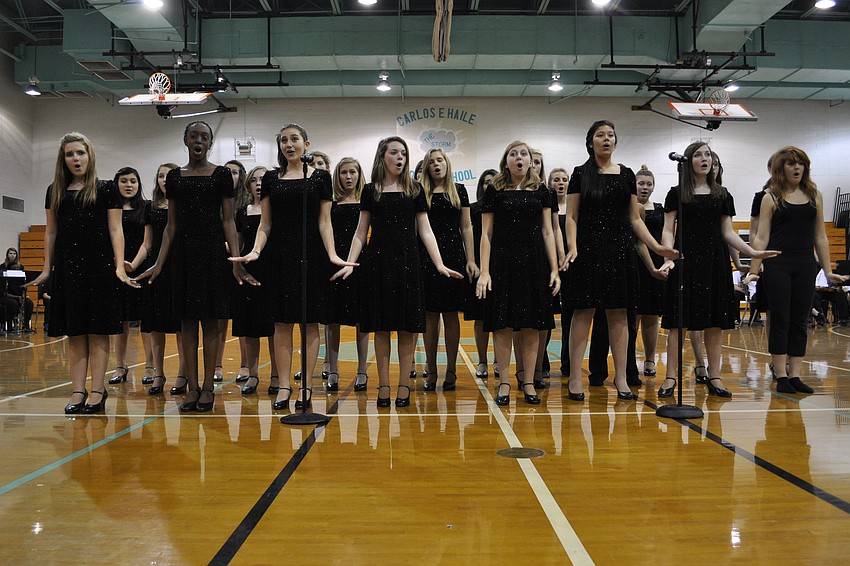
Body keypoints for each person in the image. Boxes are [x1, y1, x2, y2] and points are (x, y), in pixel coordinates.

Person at [333, 136, 463, 407]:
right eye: (394, 153)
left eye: (403, 153)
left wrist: (439, 264)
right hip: (377, 264)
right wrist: (348, 263)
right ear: (383, 157)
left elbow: (425, 230)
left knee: (407, 329)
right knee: (381, 329)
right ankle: (383, 385)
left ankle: (403, 386)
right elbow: (360, 232)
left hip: (408, 262)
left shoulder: (415, 189)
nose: (400, 157)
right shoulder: (371, 191)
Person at [230, 124, 351, 411]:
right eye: (283, 140)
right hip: (278, 257)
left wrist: (333, 254)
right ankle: (284, 385)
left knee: (309, 324)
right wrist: (256, 250)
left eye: (294, 139)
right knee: (281, 324)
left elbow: (324, 221)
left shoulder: (319, 177)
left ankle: (306, 386)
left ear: (306, 144)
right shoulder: (272, 178)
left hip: (311, 256)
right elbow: (266, 223)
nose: (289, 144)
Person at [138, 122, 255, 413]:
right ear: (185, 141)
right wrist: (159, 264)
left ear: (210, 142)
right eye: (194, 136)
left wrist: (237, 263)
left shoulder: (222, 175)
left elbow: (228, 221)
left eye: (204, 136)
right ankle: (191, 387)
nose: (199, 140)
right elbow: (171, 226)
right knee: (187, 323)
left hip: (213, 253)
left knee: (211, 322)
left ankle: (207, 387)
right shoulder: (175, 176)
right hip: (183, 255)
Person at [562, 121, 676, 402]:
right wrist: (573, 246)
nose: (606, 139)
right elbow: (572, 217)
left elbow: (635, 219)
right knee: (582, 314)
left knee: (619, 316)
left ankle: (622, 377)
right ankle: (575, 377)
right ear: (591, 142)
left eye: (610, 135)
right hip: (586, 252)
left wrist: (658, 247)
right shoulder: (580, 174)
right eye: (600, 135)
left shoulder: (626, 175)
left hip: (618, 252)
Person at [658, 142, 778, 399]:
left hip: (714, 262)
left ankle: (715, 375)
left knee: (714, 324)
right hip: (685, 261)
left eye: (708, 155)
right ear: (688, 161)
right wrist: (668, 254)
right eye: (699, 155)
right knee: (678, 324)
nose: (705, 159)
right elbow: (668, 229)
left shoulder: (723, 194)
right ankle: (670, 377)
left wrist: (753, 253)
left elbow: (727, 232)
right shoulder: (676, 192)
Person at [28, 132, 137, 414]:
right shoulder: (54, 191)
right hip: (68, 268)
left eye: (80, 153)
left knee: (98, 332)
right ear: (63, 159)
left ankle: (98, 391)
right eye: (69, 154)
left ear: (90, 155)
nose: (75, 159)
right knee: (75, 332)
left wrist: (119, 265)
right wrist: (46, 268)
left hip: (99, 268)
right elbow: (51, 231)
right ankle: (78, 389)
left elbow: (116, 229)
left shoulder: (106, 189)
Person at [747, 147, 848, 394]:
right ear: (782, 169)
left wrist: (827, 269)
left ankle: (795, 374)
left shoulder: (815, 196)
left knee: (800, 320)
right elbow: (761, 237)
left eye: (800, 164)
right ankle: (781, 374)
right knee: (780, 317)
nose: (796, 168)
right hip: (778, 263)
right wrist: (754, 269)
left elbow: (821, 237)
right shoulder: (771, 197)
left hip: (805, 264)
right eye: (791, 164)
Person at [476, 140, 560, 406]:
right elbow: (486, 234)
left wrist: (555, 268)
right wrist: (484, 271)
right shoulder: (494, 190)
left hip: (534, 264)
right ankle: (504, 382)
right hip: (502, 263)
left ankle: (528, 381)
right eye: (513, 154)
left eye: (523, 154)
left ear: (530, 161)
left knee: (532, 324)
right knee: (502, 324)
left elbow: (548, 232)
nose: (519, 158)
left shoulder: (542, 190)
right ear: (506, 161)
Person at [420, 148, 478, 391]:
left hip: (454, 256)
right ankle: (431, 369)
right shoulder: (420, 192)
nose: (436, 164)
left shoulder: (460, 190)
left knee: (451, 315)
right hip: (427, 256)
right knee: (430, 316)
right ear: (426, 167)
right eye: (431, 161)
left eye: (440, 160)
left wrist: (471, 259)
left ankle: (451, 370)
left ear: (447, 164)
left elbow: (466, 227)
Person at [132, 163, 186, 396]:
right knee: (156, 327)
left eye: (169, 175)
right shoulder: (150, 207)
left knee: (183, 326)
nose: (165, 179)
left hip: (179, 267)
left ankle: (183, 374)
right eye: (161, 176)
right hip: (155, 270)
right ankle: (159, 373)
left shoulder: (184, 205)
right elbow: (147, 243)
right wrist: (133, 265)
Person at [232, 165, 279, 395]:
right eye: (254, 180)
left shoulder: (276, 210)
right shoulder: (242, 212)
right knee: (250, 329)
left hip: (272, 272)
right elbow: (238, 242)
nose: (259, 183)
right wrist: (237, 265)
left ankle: (277, 375)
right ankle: (253, 375)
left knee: (274, 328)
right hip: (249, 273)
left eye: (263, 179)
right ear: (248, 184)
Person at [325, 158, 370, 391]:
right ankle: (333, 370)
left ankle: (362, 370)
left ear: (359, 174)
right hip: (334, 262)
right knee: (332, 320)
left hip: (360, 264)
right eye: (344, 172)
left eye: (353, 171)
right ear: (338, 176)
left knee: (361, 320)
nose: (349, 176)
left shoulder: (367, 202)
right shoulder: (330, 204)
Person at [108, 167, 149, 385]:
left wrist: (134, 263)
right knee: (120, 321)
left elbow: (148, 241)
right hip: (117, 269)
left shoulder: (146, 208)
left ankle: (150, 368)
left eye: (133, 181)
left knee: (146, 320)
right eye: (124, 181)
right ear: (116, 184)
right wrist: (119, 263)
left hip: (141, 267)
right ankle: (120, 367)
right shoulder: (110, 209)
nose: (129, 185)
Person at [464, 169, 497, 379]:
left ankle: (498, 362)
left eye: (493, 182)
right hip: (478, 268)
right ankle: (483, 361)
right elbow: (467, 235)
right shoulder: (474, 209)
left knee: (500, 319)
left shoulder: (502, 208)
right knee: (480, 318)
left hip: (500, 267)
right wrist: (473, 262)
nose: (489, 185)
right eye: (486, 182)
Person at [634, 166, 666, 377]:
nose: (645, 188)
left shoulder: (661, 209)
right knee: (633, 315)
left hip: (657, 265)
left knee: (652, 316)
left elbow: (665, 237)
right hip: (635, 263)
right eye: (641, 183)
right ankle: (628, 360)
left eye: (649, 184)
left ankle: (650, 359)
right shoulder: (631, 208)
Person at [1, 248, 34, 332]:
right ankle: (9, 326)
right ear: (7, 255)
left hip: (17, 293)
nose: (12, 255)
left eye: (14, 253)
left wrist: (22, 295)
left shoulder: (21, 267)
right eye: (10, 253)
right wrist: (16, 296)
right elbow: (3, 287)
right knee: (13, 303)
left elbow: (22, 283)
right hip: (6, 295)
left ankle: (26, 325)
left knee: (29, 303)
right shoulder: (2, 267)